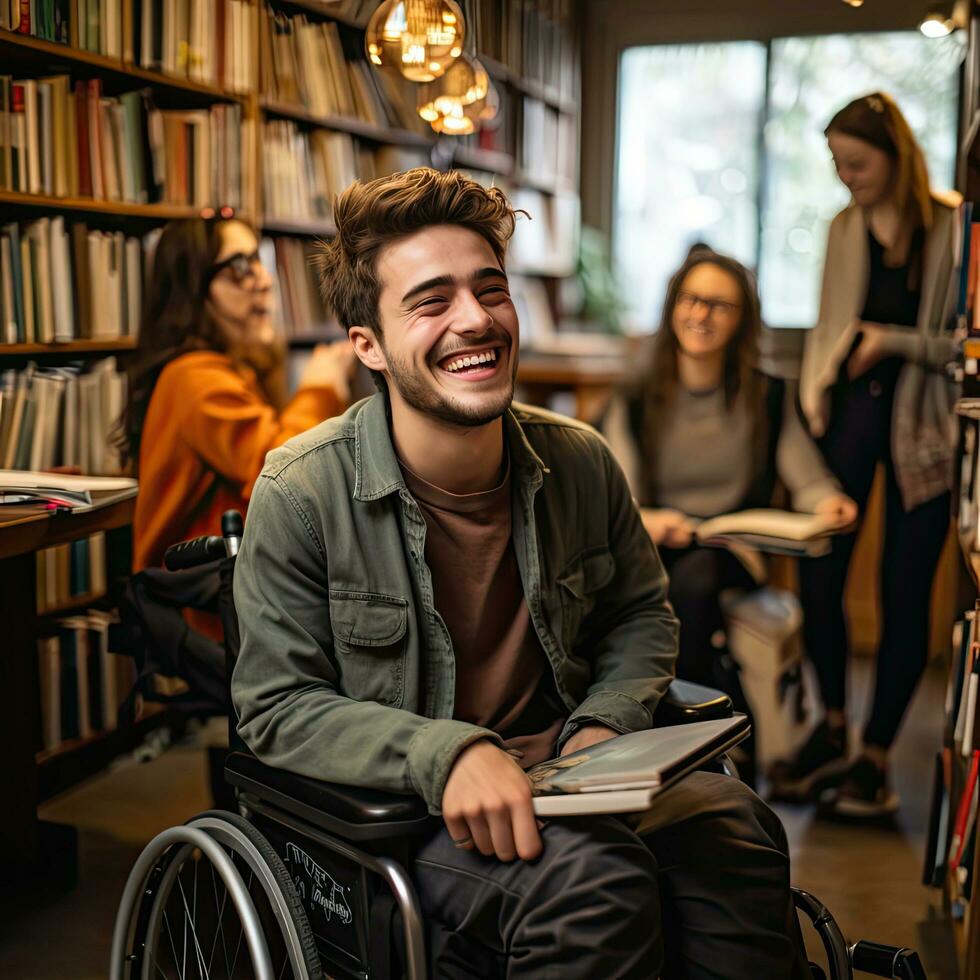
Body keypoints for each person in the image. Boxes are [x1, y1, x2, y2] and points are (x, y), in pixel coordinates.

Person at [231, 168, 810, 979]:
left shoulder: (581, 461)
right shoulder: (301, 491)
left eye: (490, 290)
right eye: (431, 301)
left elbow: (643, 613)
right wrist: (448, 754)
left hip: (578, 775)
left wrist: (608, 722)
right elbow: (277, 707)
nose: (474, 320)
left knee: (740, 828)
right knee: (593, 884)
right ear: (367, 344)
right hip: (416, 816)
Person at [770, 92, 960, 818]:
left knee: (904, 590)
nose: (846, 177)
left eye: (857, 163)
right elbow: (827, 325)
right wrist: (815, 392)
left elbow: (962, 347)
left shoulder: (951, 226)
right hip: (846, 414)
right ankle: (833, 727)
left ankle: (875, 755)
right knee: (821, 574)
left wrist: (892, 340)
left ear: (895, 155)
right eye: (836, 165)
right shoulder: (844, 226)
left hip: (926, 428)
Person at [605, 245, 856, 785]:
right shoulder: (635, 394)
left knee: (693, 580)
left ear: (743, 318)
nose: (702, 315)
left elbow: (807, 477)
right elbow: (616, 497)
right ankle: (722, 726)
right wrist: (650, 520)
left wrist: (828, 502)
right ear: (673, 306)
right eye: (692, 300)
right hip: (654, 546)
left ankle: (684, 732)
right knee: (678, 582)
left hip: (732, 554)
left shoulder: (766, 395)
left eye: (721, 305)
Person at [124, 215, 354, 581]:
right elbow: (283, 468)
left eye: (258, 262)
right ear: (194, 285)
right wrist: (320, 388)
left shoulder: (232, 369)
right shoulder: (194, 376)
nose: (264, 281)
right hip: (205, 613)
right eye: (239, 267)